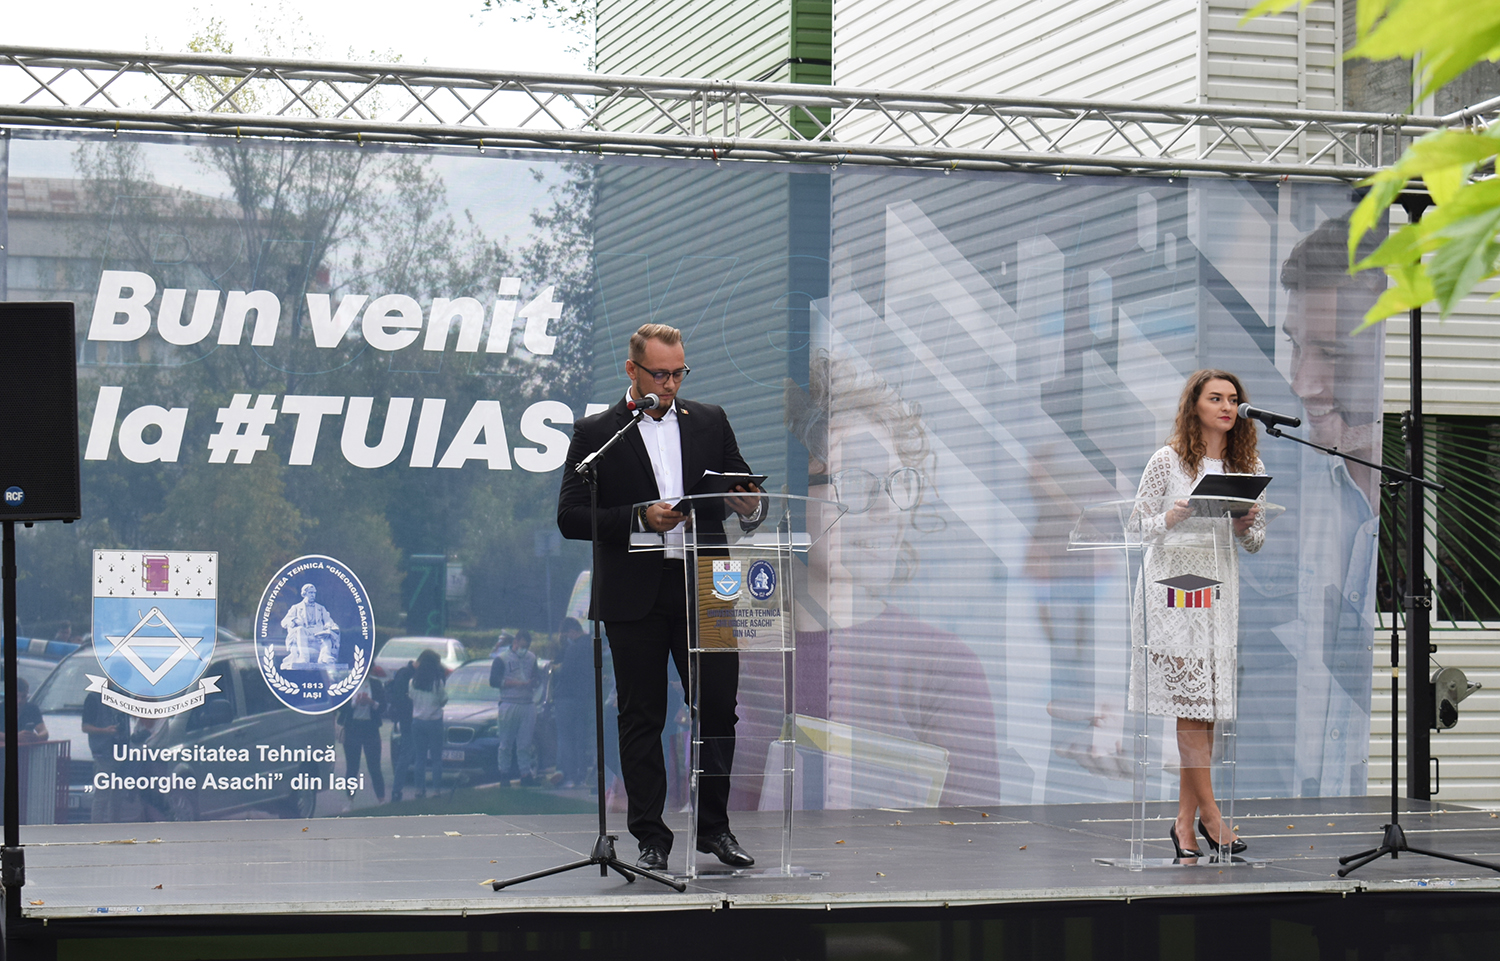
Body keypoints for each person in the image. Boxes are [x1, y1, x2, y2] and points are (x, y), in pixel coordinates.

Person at [557, 322, 761, 873]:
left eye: (678, 373)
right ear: (633, 371)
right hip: (634, 592)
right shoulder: (598, 432)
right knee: (641, 714)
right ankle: (651, 836)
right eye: (660, 374)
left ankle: (714, 829)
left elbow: (745, 490)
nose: (669, 384)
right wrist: (637, 517)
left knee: (718, 706)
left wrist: (751, 506)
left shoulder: (710, 421)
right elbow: (570, 517)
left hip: (708, 585)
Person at [1131, 369, 1267, 859]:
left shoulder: (1247, 464)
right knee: (1191, 701)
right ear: (1195, 405)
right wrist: (1170, 516)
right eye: (1216, 398)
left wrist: (1248, 523)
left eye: (1234, 399)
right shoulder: (1167, 461)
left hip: (1215, 588)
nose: (1228, 407)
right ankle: (1213, 818)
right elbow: (1137, 525)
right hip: (1172, 585)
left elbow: (1254, 542)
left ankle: (1183, 827)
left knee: (1204, 707)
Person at [394, 649, 447, 799]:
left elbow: (411, 698)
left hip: (417, 722)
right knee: (436, 758)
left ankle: (419, 789)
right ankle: (436, 790)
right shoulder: (437, 683)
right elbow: (443, 700)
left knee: (420, 758)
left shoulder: (412, 682)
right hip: (434, 721)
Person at [490, 629, 540, 784]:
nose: (523, 649)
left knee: (525, 742)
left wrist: (533, 683)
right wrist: (517, 683)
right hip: (509, 702)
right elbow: (494, 681)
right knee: (506, 742)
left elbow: (537, 678)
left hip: (526, 703)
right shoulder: (502, 658)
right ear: (515, 642)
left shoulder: (531, 658)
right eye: (521, 645)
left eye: (527, 646)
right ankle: (503, 773)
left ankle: (525, 774)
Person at [550, 618, 594, 788]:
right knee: (580, 738)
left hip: (566, 698)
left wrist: (557, 669)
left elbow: (566, 673)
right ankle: (581, 775)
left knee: (565, 738)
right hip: (583, 699)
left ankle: (567, 774)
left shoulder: (573, 648)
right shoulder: (590, 647)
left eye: (566, 633)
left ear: (572, 631)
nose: (566, 636)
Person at [81, 687, 131, 822]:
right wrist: (105, 730)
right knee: (102, 796)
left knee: (118, 796)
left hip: (122, 752)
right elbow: (85, 727)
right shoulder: (94, 697)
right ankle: (97, 829)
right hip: (103, 753)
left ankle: (114, 827)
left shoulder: (125, 695)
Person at [336, 671, 386, 802]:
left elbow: (383, 707)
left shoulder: (375, 684)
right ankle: (349, 800)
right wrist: (355, 703)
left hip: (371, 728)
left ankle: (381, 799)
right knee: (352, 767)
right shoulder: (347, 683)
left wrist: (371, 702)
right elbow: (341, 706)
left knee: (374, 766)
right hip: (353, 728)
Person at [280, 582, 341, 668]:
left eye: (314, 593)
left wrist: (329, 628)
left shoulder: (321, 608)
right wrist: (294, 620)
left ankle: (325, 657)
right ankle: (304, 658)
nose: (313, 595)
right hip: (305, 634)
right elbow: (284, 622)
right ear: (304, 594)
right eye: (310, 592)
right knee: (300, 629)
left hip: (318, 634)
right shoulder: (296, 608)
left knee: (327, 633)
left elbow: (328, 621)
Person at [386, 658, 416, 803]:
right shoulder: (409, 676)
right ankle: (419, 790)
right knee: (412, 754)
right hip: (410, 719)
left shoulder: (403, 674)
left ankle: (397, 791)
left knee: (405, 754)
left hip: (405, 719)